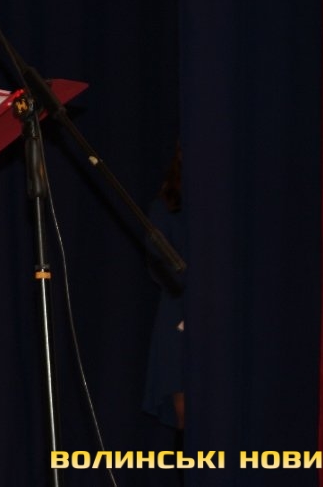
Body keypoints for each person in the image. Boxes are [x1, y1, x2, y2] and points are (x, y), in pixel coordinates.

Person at [143, 142, 186, 434]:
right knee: (188, 418)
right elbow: (159, 264)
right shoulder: (165, 207)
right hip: (179, 314)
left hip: (224, 316)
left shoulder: (229, 206)